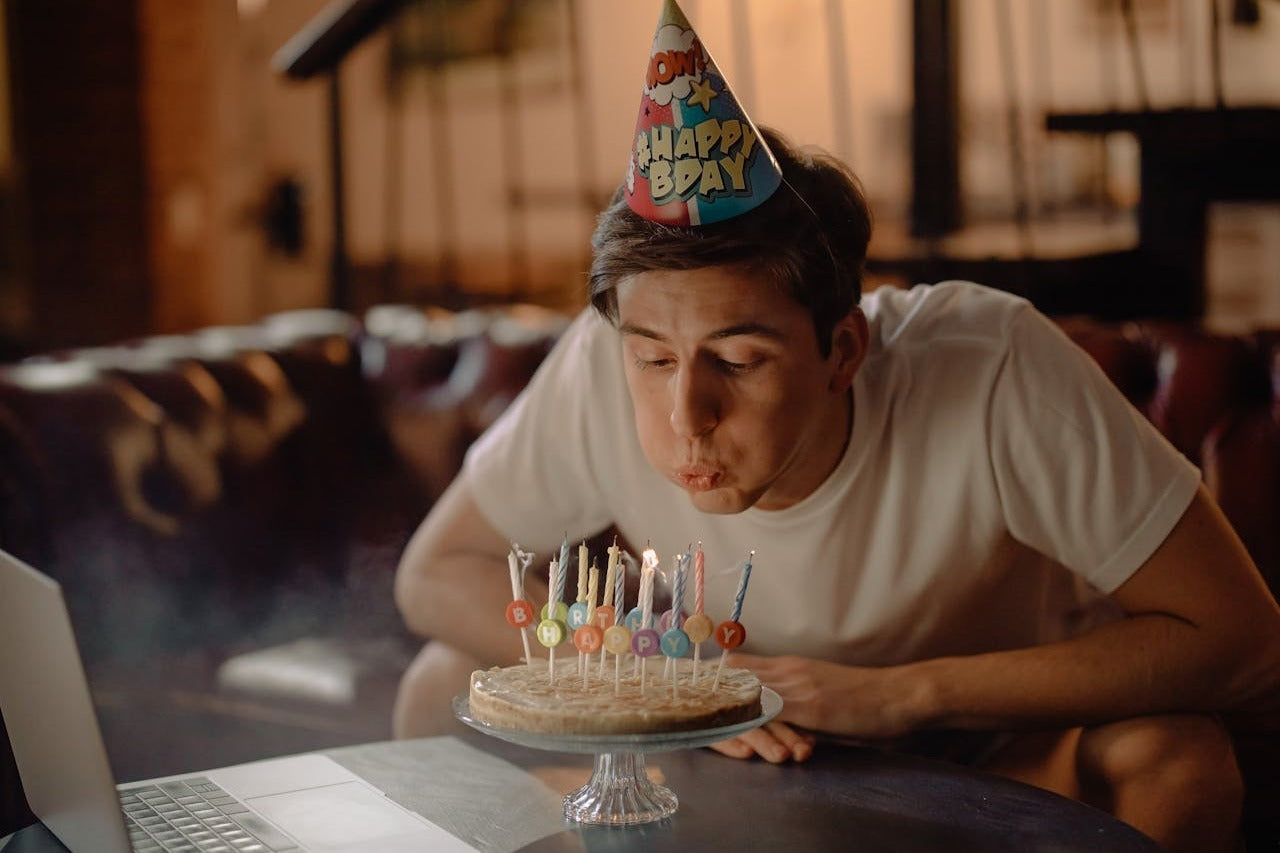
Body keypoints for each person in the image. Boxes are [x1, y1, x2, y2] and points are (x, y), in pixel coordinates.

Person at [393, 5, 1280, 850]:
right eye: (654, 358)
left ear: (843, 349)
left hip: (997, 762)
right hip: (730, 757)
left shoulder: (990, 364)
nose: (685, 415)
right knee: (439, 683)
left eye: (739, 361)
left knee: (1177, 760)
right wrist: (666, 692)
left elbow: (1242, 638)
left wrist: (901, 696)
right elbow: (434, 573)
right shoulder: (600, 356)